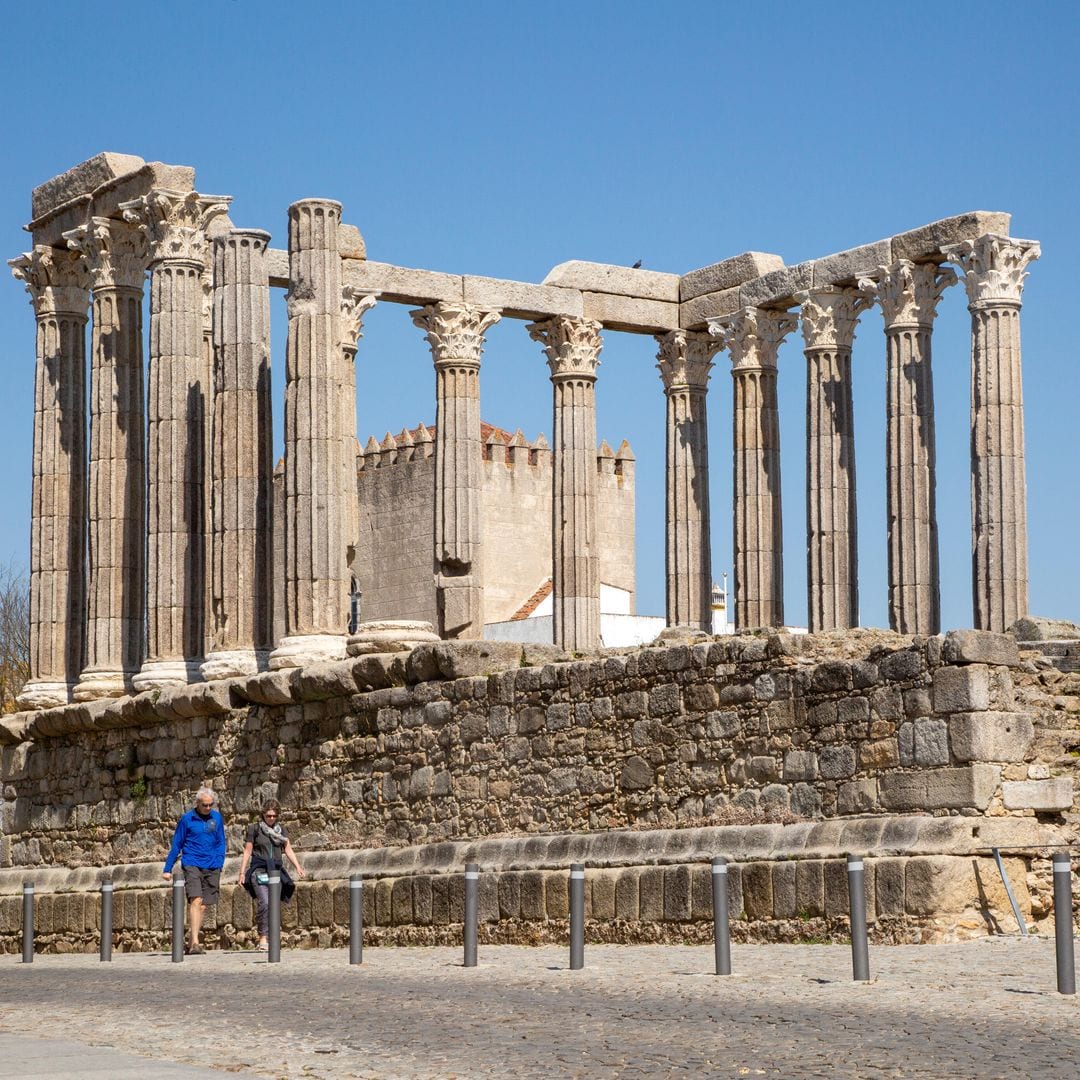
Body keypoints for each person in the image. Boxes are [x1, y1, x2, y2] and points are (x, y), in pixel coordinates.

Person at [162, 787, 227, 955]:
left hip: (212, 864)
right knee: (195, 900)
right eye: (204, 805)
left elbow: (221, 841)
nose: (207, 808)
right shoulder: (187, 819)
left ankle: (191, 940)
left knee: (204, 906)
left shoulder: (217, 818)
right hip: (192, 862)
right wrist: (167, 868)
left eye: (210, 805)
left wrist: (220, 861)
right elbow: (177, 843)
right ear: (197, 803)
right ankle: (196, 943)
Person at [237, 799, 306, 951]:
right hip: (259, 870)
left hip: (275, 872)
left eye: (274, 816)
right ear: (263, 815)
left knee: (273, 905)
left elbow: (288, 849)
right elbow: (248, 851)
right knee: (265, 902)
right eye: (268, 816)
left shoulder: (281, 831)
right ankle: (262, 938)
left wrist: (298, 867)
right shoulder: (254, 829)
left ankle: (273, 938)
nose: (271, 819)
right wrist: (242, 872)